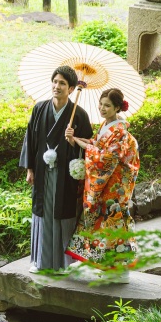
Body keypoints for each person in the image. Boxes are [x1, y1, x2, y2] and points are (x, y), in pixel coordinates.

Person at [20, 65, 93, 273]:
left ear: (71, 89)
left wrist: (73, 140)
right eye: (55, 81)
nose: (57, 86)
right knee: (43, 213)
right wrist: (30, 169)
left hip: (65, 175)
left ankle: (63, 263)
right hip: (43, 172)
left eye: (62, 83)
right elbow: (31, 139)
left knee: (62, 213)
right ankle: (39, 262)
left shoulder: (79, 114)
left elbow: (89, 145)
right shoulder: (40, 108)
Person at [64, 88, 140, 275]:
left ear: (117, 108)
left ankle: (120, 270)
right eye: (101, 104)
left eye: (107, 105)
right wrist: (76, 138)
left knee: (113, 222)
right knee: (102, 224)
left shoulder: (120, 131)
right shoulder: (107, 126)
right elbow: (97, 145)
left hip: (114, 186)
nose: (102, 108)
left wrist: (82, 144)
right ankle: (107, 266)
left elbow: (105, 157)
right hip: (108, 184)